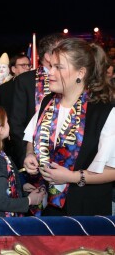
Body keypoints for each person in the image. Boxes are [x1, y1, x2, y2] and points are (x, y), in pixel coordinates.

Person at [23, 37, 115, 216]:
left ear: (80, 72)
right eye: (51, 66)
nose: (50, 72)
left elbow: (112, 170)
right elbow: (31, 138)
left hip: (84, 211)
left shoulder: (104, 111)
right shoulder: (48, 101)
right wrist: (30, 155)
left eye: (59, 67)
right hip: (45, 206)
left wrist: (70, 177)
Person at [0, 105, 45, 217]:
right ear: (1, 130)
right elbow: (1, 202)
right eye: (7, 122)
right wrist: (29, 200)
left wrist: (21, 188)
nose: (9, 125)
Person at [9, 33, 64, 169]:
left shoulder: (68, 78)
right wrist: (26, 156)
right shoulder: (25, 80)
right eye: (62, 51)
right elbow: (16, 124)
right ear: (48, 56)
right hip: (32, 156)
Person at [0, 53, 31, 165]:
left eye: (28, 65)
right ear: (13, 69)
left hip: (30, 136)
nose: (27, 68)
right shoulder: (3, 89)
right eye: (23, 65)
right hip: (10, 139)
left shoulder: (35, 86)